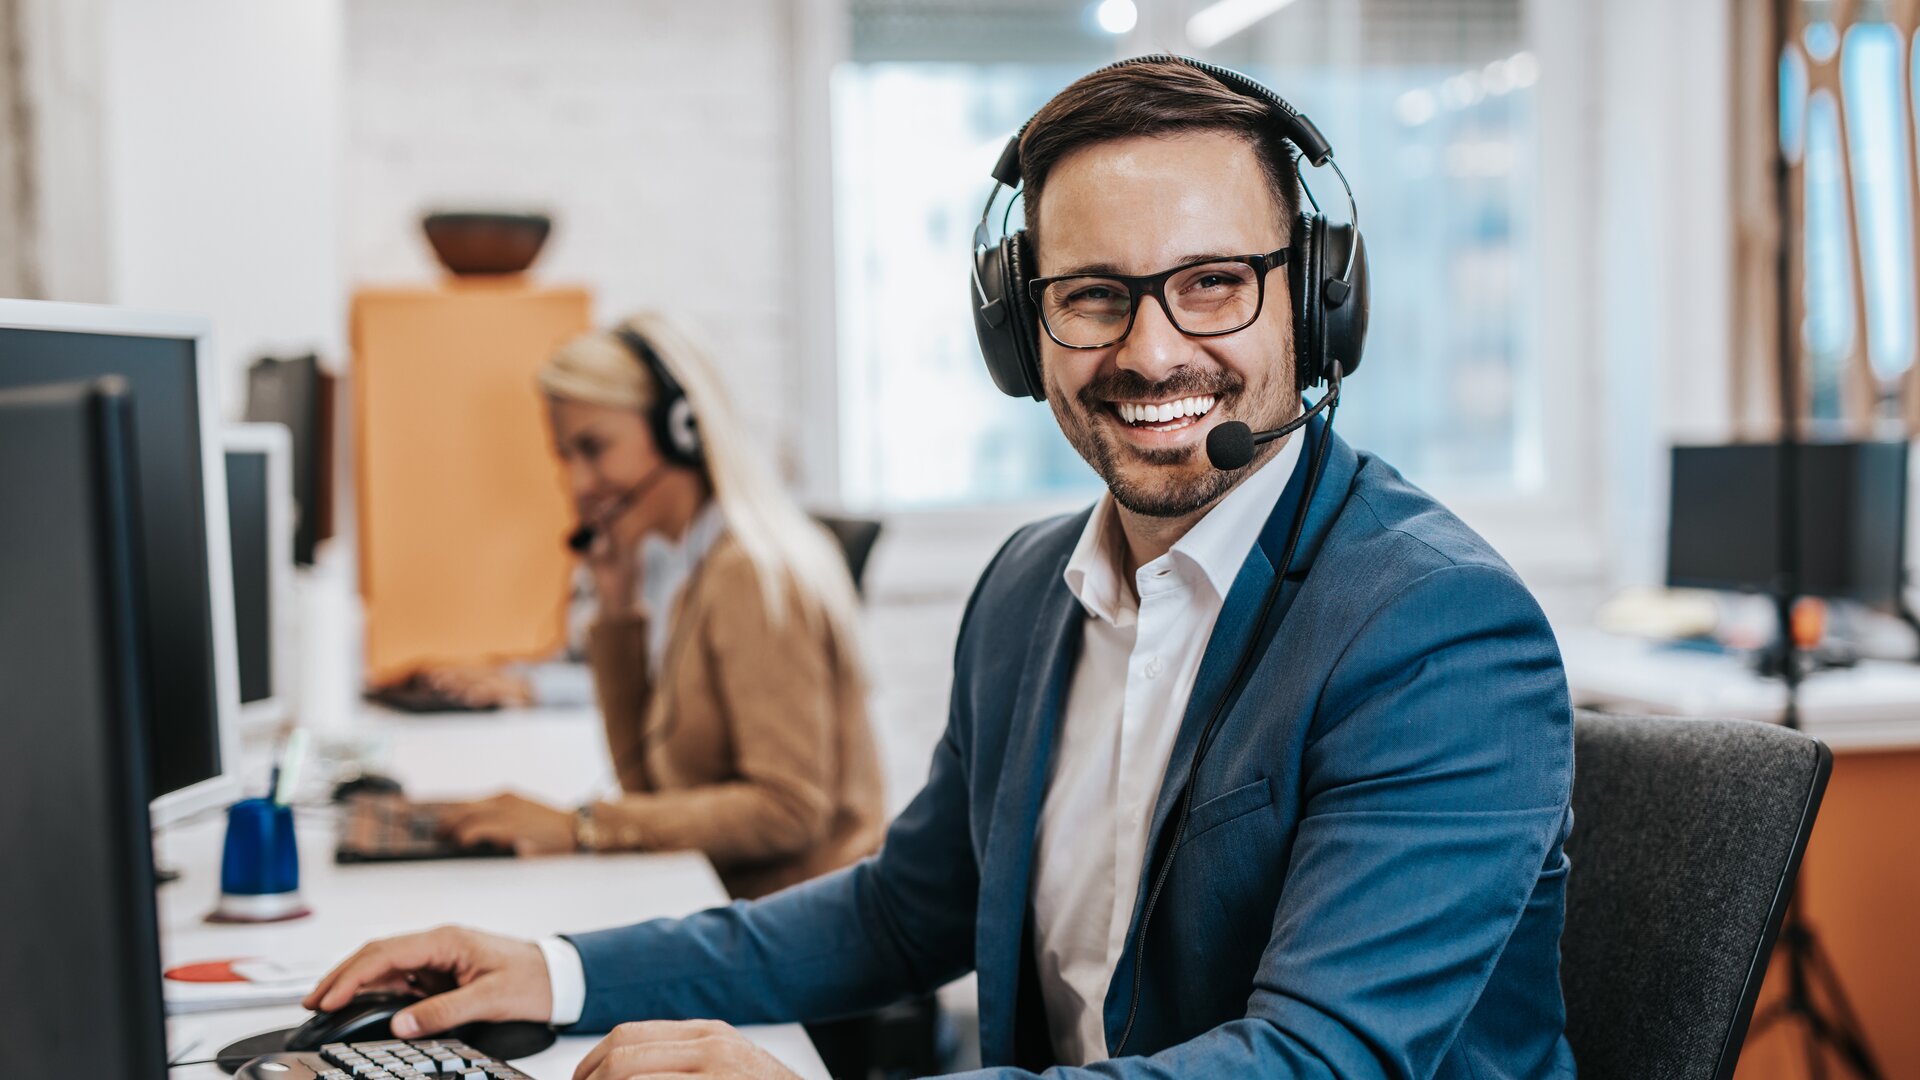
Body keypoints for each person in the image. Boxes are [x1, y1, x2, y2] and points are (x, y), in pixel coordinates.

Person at [306, 57, 1575, 1078]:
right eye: (1091, 296)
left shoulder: (1435, 628)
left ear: (1315, 301)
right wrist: (558, 970)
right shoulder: (1032, 588)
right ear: (1020, 333)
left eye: (1212, 284)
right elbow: (900, 916)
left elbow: (1315, 1060)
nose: (1150, 351)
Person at [423, 311, 886, 902]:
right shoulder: (693, 570)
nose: (579, 485)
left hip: (804, 930)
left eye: (594, 448)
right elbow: (650, 793)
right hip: (737, 906)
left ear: (682, 429)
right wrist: (617, 615)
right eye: (566, 456)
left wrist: (580, 827)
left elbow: (789, 810)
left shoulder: (749, 573)